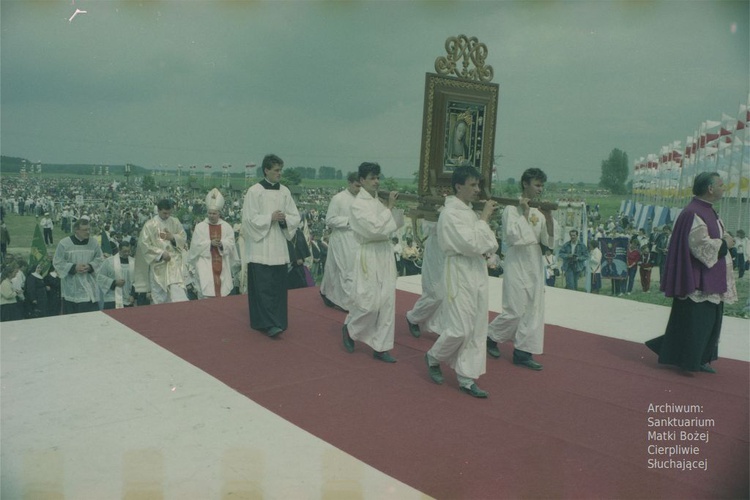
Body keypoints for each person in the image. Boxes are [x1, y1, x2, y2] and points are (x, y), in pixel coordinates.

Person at [645, 172, 737, 373]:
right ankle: (688, 361)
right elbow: (699, 246)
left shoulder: (708, 211)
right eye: (721, 184)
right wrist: (724, 243)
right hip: (698, 278)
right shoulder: (693, 212)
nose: (724, 187)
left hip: (711, 276)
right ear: (710, 189)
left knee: (708, 322)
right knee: (696, 324)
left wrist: (725, 238)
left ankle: (699, 358)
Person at [423, 166, 499, 398]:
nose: (477, 190)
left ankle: (467, 378)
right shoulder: (450, 213)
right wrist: (484, 218)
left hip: (475, 269)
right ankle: (433, 357)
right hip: (458, 270)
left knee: (476, 325)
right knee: (459, 328)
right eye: (472, 185)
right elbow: (471, 243)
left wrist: (482, 227)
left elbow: (488, 244)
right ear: (458, 186)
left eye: (478, 185)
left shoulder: (467, 212)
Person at [486, 168, 557, 371]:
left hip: (534, 260)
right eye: (537, 185)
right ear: (525, 184)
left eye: (542, 185)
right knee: (515, 309)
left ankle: (523, 353)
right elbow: (514, 237)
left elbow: (548, 242)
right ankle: (491, 336)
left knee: (533, 309)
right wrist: (524, 213)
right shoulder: (512, 208)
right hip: (517, 259)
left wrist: (549, 218)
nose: (540, 189)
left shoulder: (540, 210)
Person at [342, 162, 403, 362]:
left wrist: (395, 209)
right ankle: (351, 328)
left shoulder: (378, 201)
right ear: (361, 181)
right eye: (372, 178)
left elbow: (393, 226)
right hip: (369, 253)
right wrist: (390, 208)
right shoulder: (358, 204)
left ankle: (381, 346)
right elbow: (374, 229)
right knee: (370, 302)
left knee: (387, 301)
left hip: (384, 251)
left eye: (378, 178)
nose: (376, 182)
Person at [242, 154, 301, 337]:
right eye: (276, 170)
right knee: (263, 286)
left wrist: (284, 221)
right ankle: (266, 323)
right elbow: (249, 220)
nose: (279, 174)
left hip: (278, 245)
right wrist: (270, 218)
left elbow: (295, 216)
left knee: (277, 285)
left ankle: (278, 320)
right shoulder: (254, 191)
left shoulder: (285, 191)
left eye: (280, 170)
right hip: (261, 247)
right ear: (266, 170)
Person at [320, 172, 361, 311]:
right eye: (356, 186)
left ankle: (328, 292)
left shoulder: (362, 198)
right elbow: (330, 219)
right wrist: (348, 221)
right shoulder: (338, 198)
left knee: (344, 269)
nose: (359, 189)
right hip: (341, 237)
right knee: (344, 269)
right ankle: (345, 301)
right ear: (349, 183)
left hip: (356, 239)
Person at [187, 188, 238, 298]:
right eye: (209, 213)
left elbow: (231, 245)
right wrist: (209, 244)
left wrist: (222, 244)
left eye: (214, 213)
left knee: (222, 294)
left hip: (222, 262)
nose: (211, 215)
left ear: (219, 213)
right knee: (206, 293)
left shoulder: (227, 227)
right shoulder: (200, 227)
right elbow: (195, 246)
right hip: (205, 263)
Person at [137, 199, 189, 304]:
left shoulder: (175, 221)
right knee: (160, 297)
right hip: (158, 265)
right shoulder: (149, 225)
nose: (167, 215)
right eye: (165, 213)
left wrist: (173, 238)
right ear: (158, 210)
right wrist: (160, 253)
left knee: (177, 292)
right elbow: (144, 245)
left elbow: (183, 237)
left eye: (169, 213)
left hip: (174, 263)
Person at [53, 218, 104, 314]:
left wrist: (90, 266)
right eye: (85, 230)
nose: (88, 232)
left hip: (89, 285)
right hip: (72, 286)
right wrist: (73, 267)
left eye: (89, 229)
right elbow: (57, 262)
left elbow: (100, 259)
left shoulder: (93, 243)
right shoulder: (64, 243)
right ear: (76, 230)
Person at [405, 219, 444, 337]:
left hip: (453, 250)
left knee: (448, 293)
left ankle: (439, 326)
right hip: (437, 248)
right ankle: (414, 317)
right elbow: (429, 227)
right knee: (435, 292)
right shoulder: (433, 206)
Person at [97, 241, 135, 309]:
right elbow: (100, 277)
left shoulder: (134, 262)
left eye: (129, 251)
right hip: (112, 298)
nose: (127, 253)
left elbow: (137, 280)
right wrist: (114, 282)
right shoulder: (109, 261)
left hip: (129, 299)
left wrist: (133, 295)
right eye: (124, 251)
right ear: (119, 250)